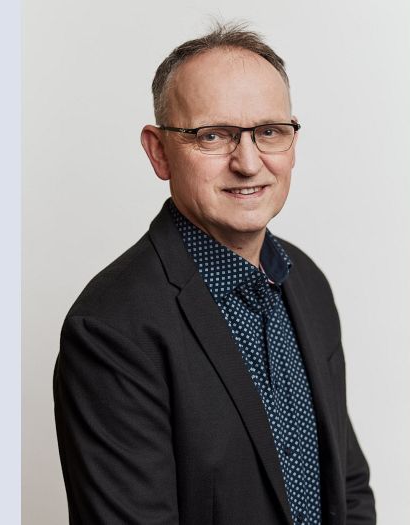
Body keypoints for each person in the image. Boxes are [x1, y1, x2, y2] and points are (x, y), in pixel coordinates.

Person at [53, 22, 376, 525]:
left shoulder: (307, 282)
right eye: (213, 135)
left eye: (270, 132)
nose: (248, 162)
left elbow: (347, 487)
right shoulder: (111, 329)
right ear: (159, 151)